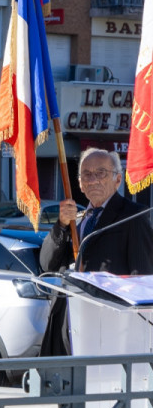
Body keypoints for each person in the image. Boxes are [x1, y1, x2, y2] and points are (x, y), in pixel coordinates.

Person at [39, 148, 153, 356]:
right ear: (80, 184)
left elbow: (141, 279)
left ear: (118, 179)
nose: (93, 180)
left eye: (101, 173)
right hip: (67, 323)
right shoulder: (76, 220)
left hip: (109, 326)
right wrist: (61, 225)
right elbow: (47, 264)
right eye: (87, 175)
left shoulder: (133, 217)